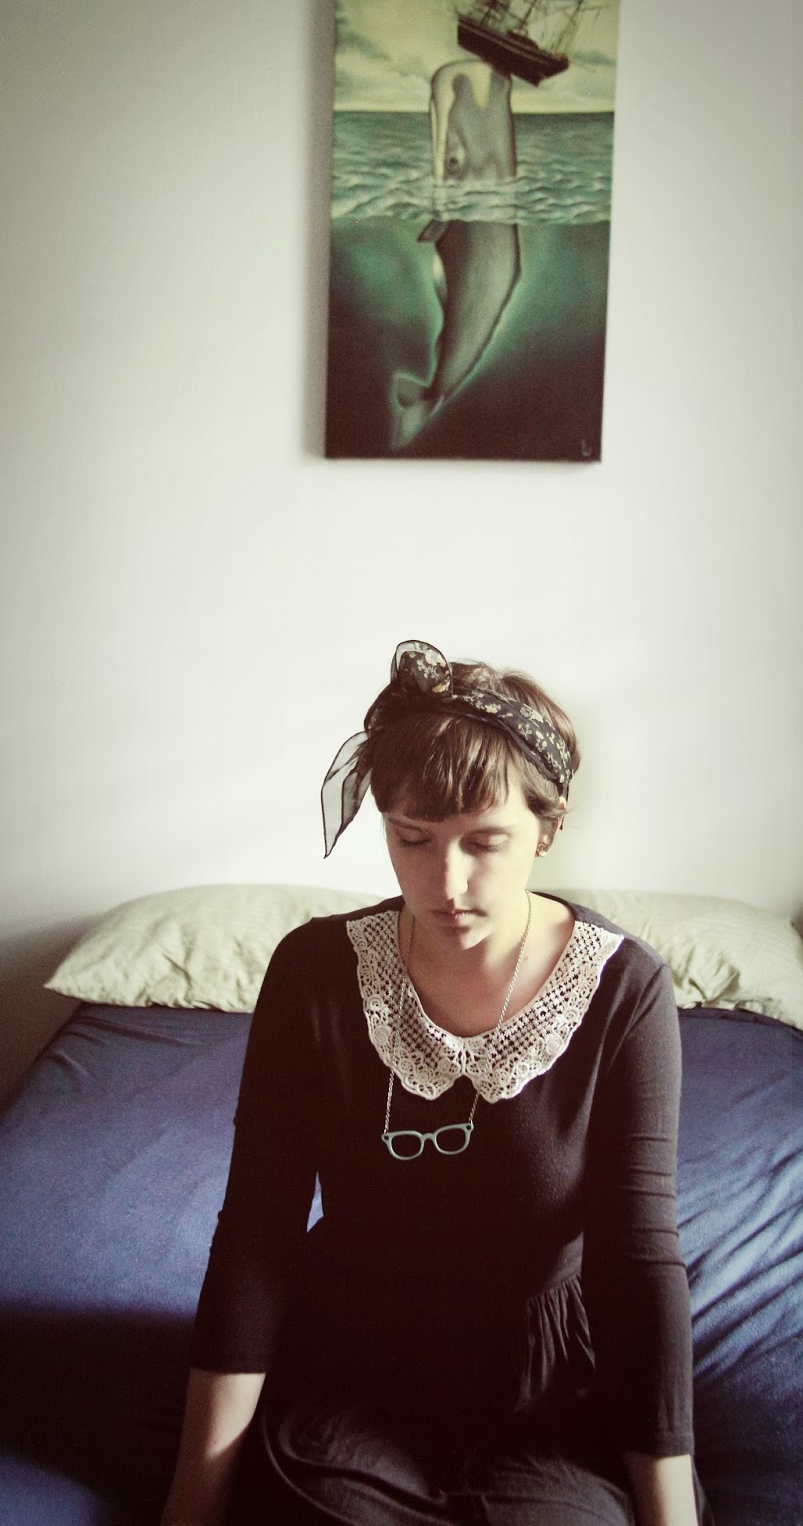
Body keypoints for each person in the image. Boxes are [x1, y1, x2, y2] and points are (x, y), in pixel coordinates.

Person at [161, 639, 712, 1526]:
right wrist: (194, 1496)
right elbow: (258, 1229)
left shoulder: (622, 989)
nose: (445, 883)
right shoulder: (315, 972)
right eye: (410, 839)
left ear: (546, 828)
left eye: (484, 843)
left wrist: (669, 1515)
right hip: (354, 1358)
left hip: (544, 1387)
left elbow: (638, 1256)